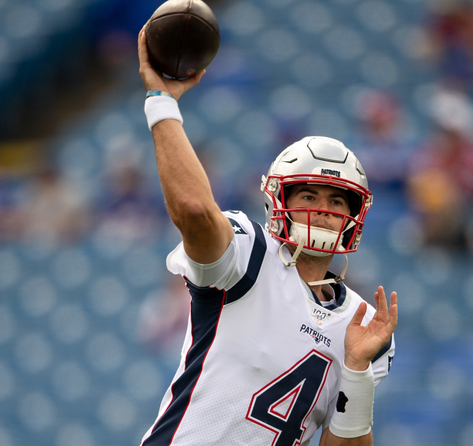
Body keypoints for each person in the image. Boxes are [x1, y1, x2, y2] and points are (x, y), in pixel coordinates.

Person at [137, 27, 398, 446]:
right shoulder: (248, 253)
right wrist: (162, 103)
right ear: (278, 200)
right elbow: (195, 211)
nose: (323, 210)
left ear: (355, 215)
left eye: (337, 201)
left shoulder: (362, 325)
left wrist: (356, 371)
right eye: (309, 194)